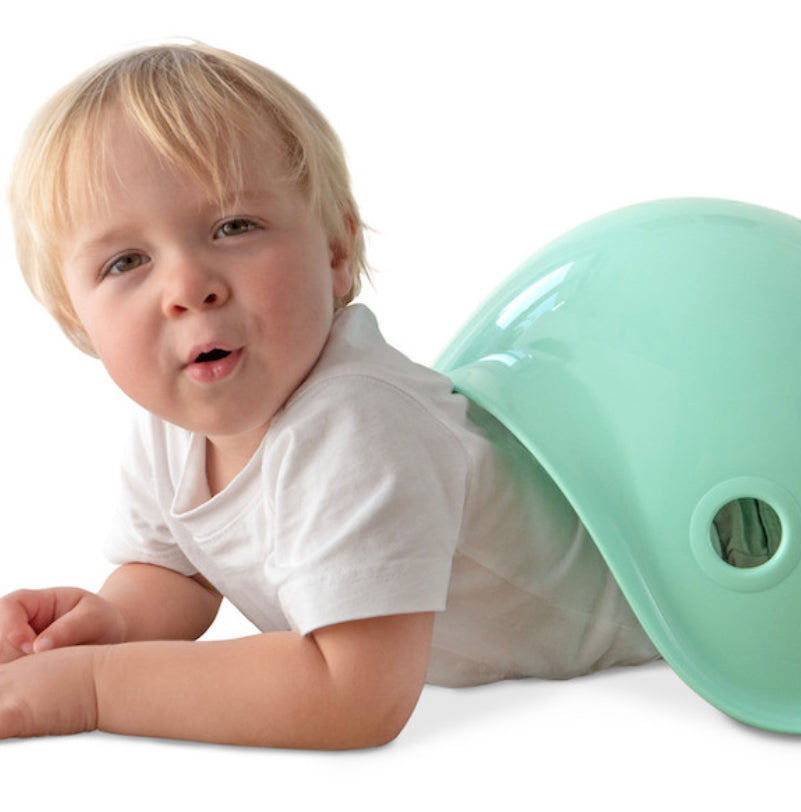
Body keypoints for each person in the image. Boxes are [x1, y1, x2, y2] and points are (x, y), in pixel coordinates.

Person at [0, 41, 658, 748]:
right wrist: (112, 625)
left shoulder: (357, 422)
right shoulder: (172, 427)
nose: (188, 286)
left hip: (663, 590)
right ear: (79, 323)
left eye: (234, 226)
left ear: (337, 253)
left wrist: (94, 688)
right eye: (126, 261)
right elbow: (177, 571)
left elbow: (354, 695)